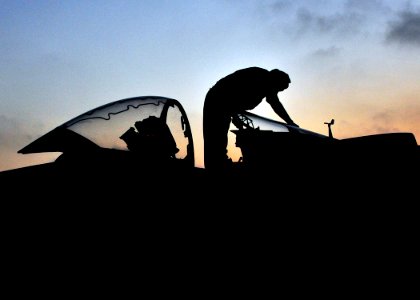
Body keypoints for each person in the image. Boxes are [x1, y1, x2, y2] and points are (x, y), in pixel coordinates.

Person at [203, 66, 299, 171]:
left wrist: (290, 122)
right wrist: (235, 115)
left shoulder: (266, 84)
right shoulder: (257, 78)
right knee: (216, 137)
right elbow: (233, 94)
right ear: (275, 82)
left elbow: (275, 103)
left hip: (225, 105)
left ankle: (218, 165)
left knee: (219, 140)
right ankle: (215, 169)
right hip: (217, 102)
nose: (277, 92)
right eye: (279, 89)